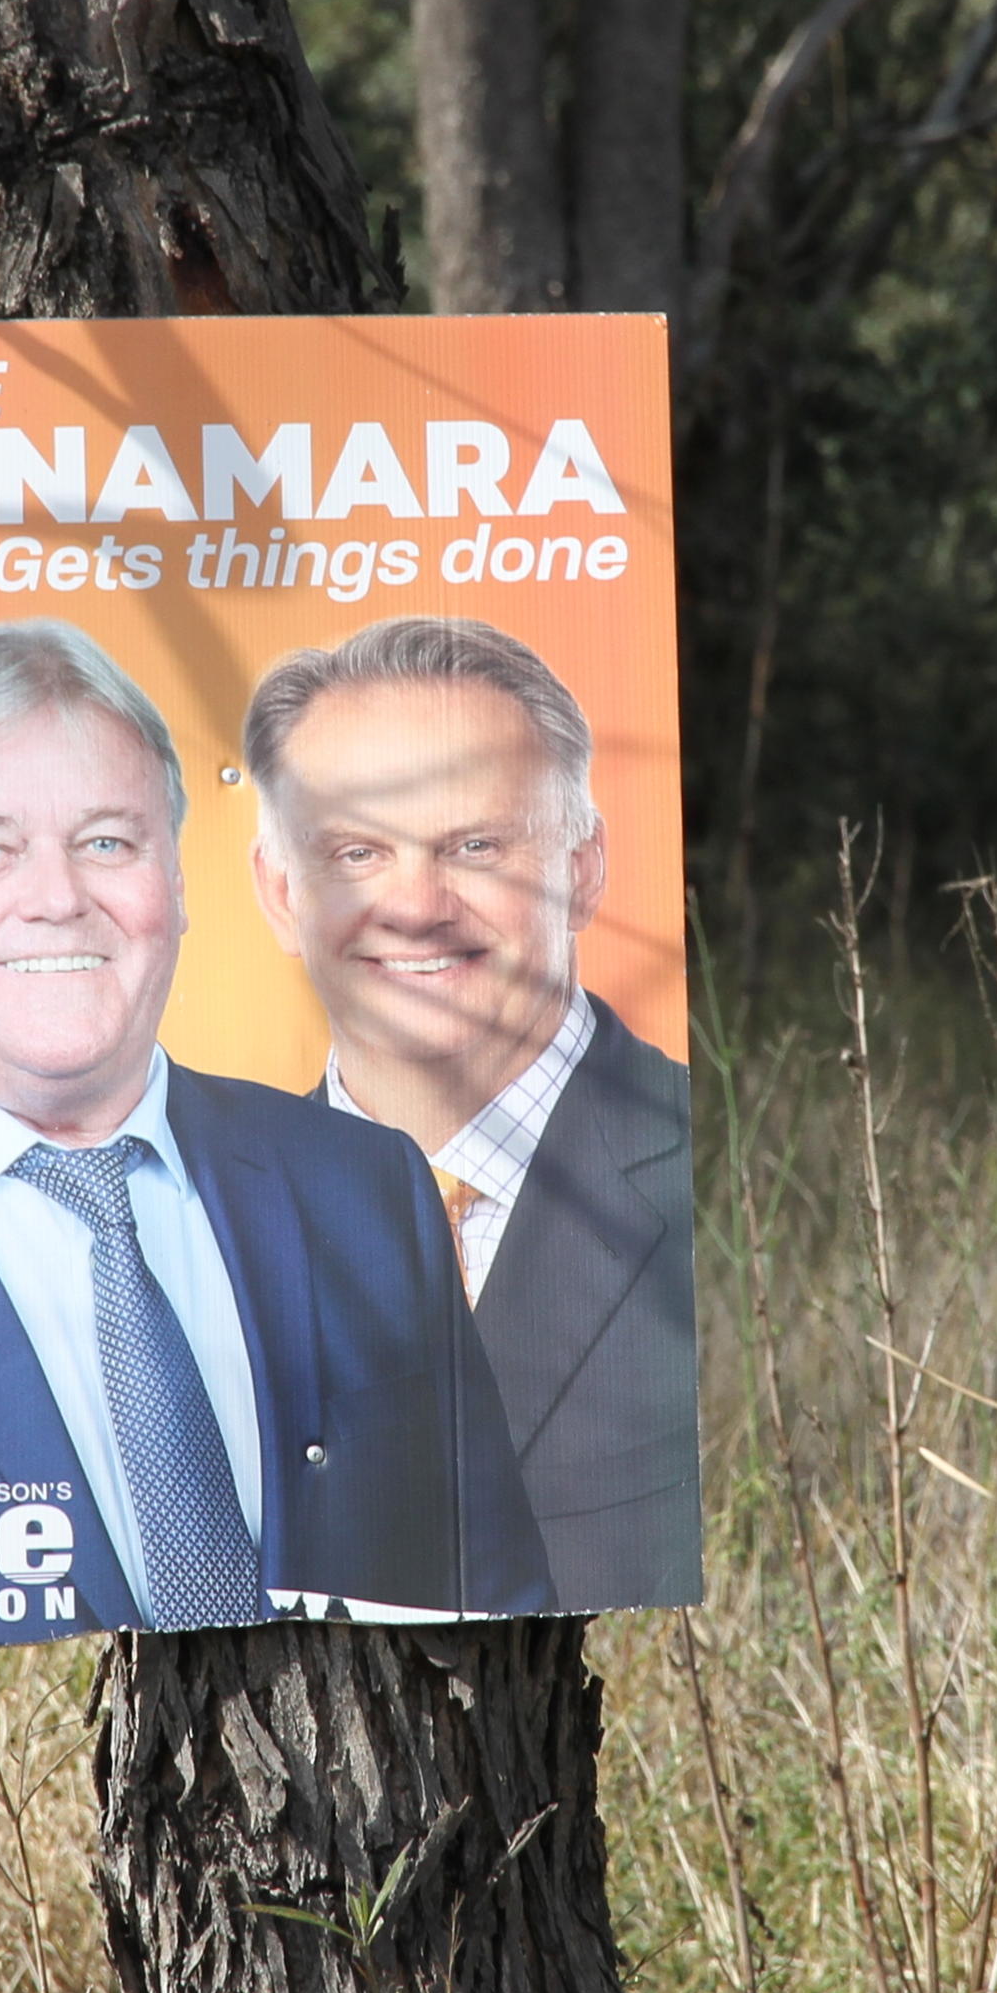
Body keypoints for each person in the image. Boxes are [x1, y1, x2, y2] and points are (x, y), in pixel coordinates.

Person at [0, 618, 550, 1646]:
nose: (56, 900)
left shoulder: (363, 1185)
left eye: (106, 842)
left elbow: (492, 1589)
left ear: (176, 883)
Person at [243, 616, 700, 1610]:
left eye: (474, 845)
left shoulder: (720, 1168)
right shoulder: (195, 1219)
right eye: (357, 852)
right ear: (280, 893)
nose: (415, 905)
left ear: (581, 868)